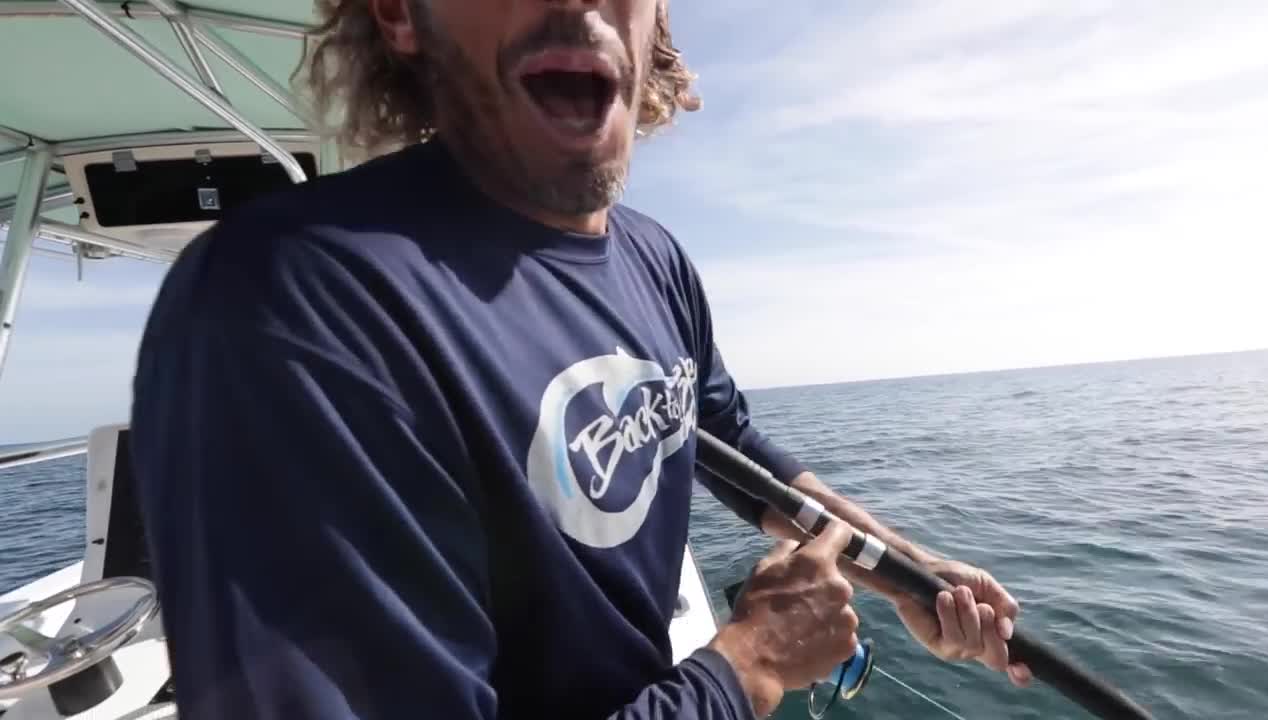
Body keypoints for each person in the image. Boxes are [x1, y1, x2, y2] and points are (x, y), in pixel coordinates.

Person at [129, 1, 1032, 718]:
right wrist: (751, 663)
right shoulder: (298, 300)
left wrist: (913, 572)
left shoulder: (654, 259)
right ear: (400, 13)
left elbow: (732, 447)